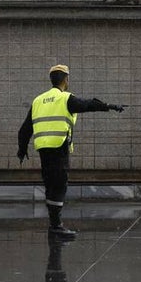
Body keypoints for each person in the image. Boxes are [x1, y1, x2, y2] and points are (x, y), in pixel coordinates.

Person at [17, 65, 125, 238]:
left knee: (50, 185)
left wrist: (22, 149)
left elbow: (24, 129)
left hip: (43, 149)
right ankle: (56, 227)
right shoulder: (65, 98)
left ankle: (54, 224)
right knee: (59, 185)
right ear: (65, 79)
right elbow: (88, 104)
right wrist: (109, 106)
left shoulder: (38, 100)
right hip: (59, 147)